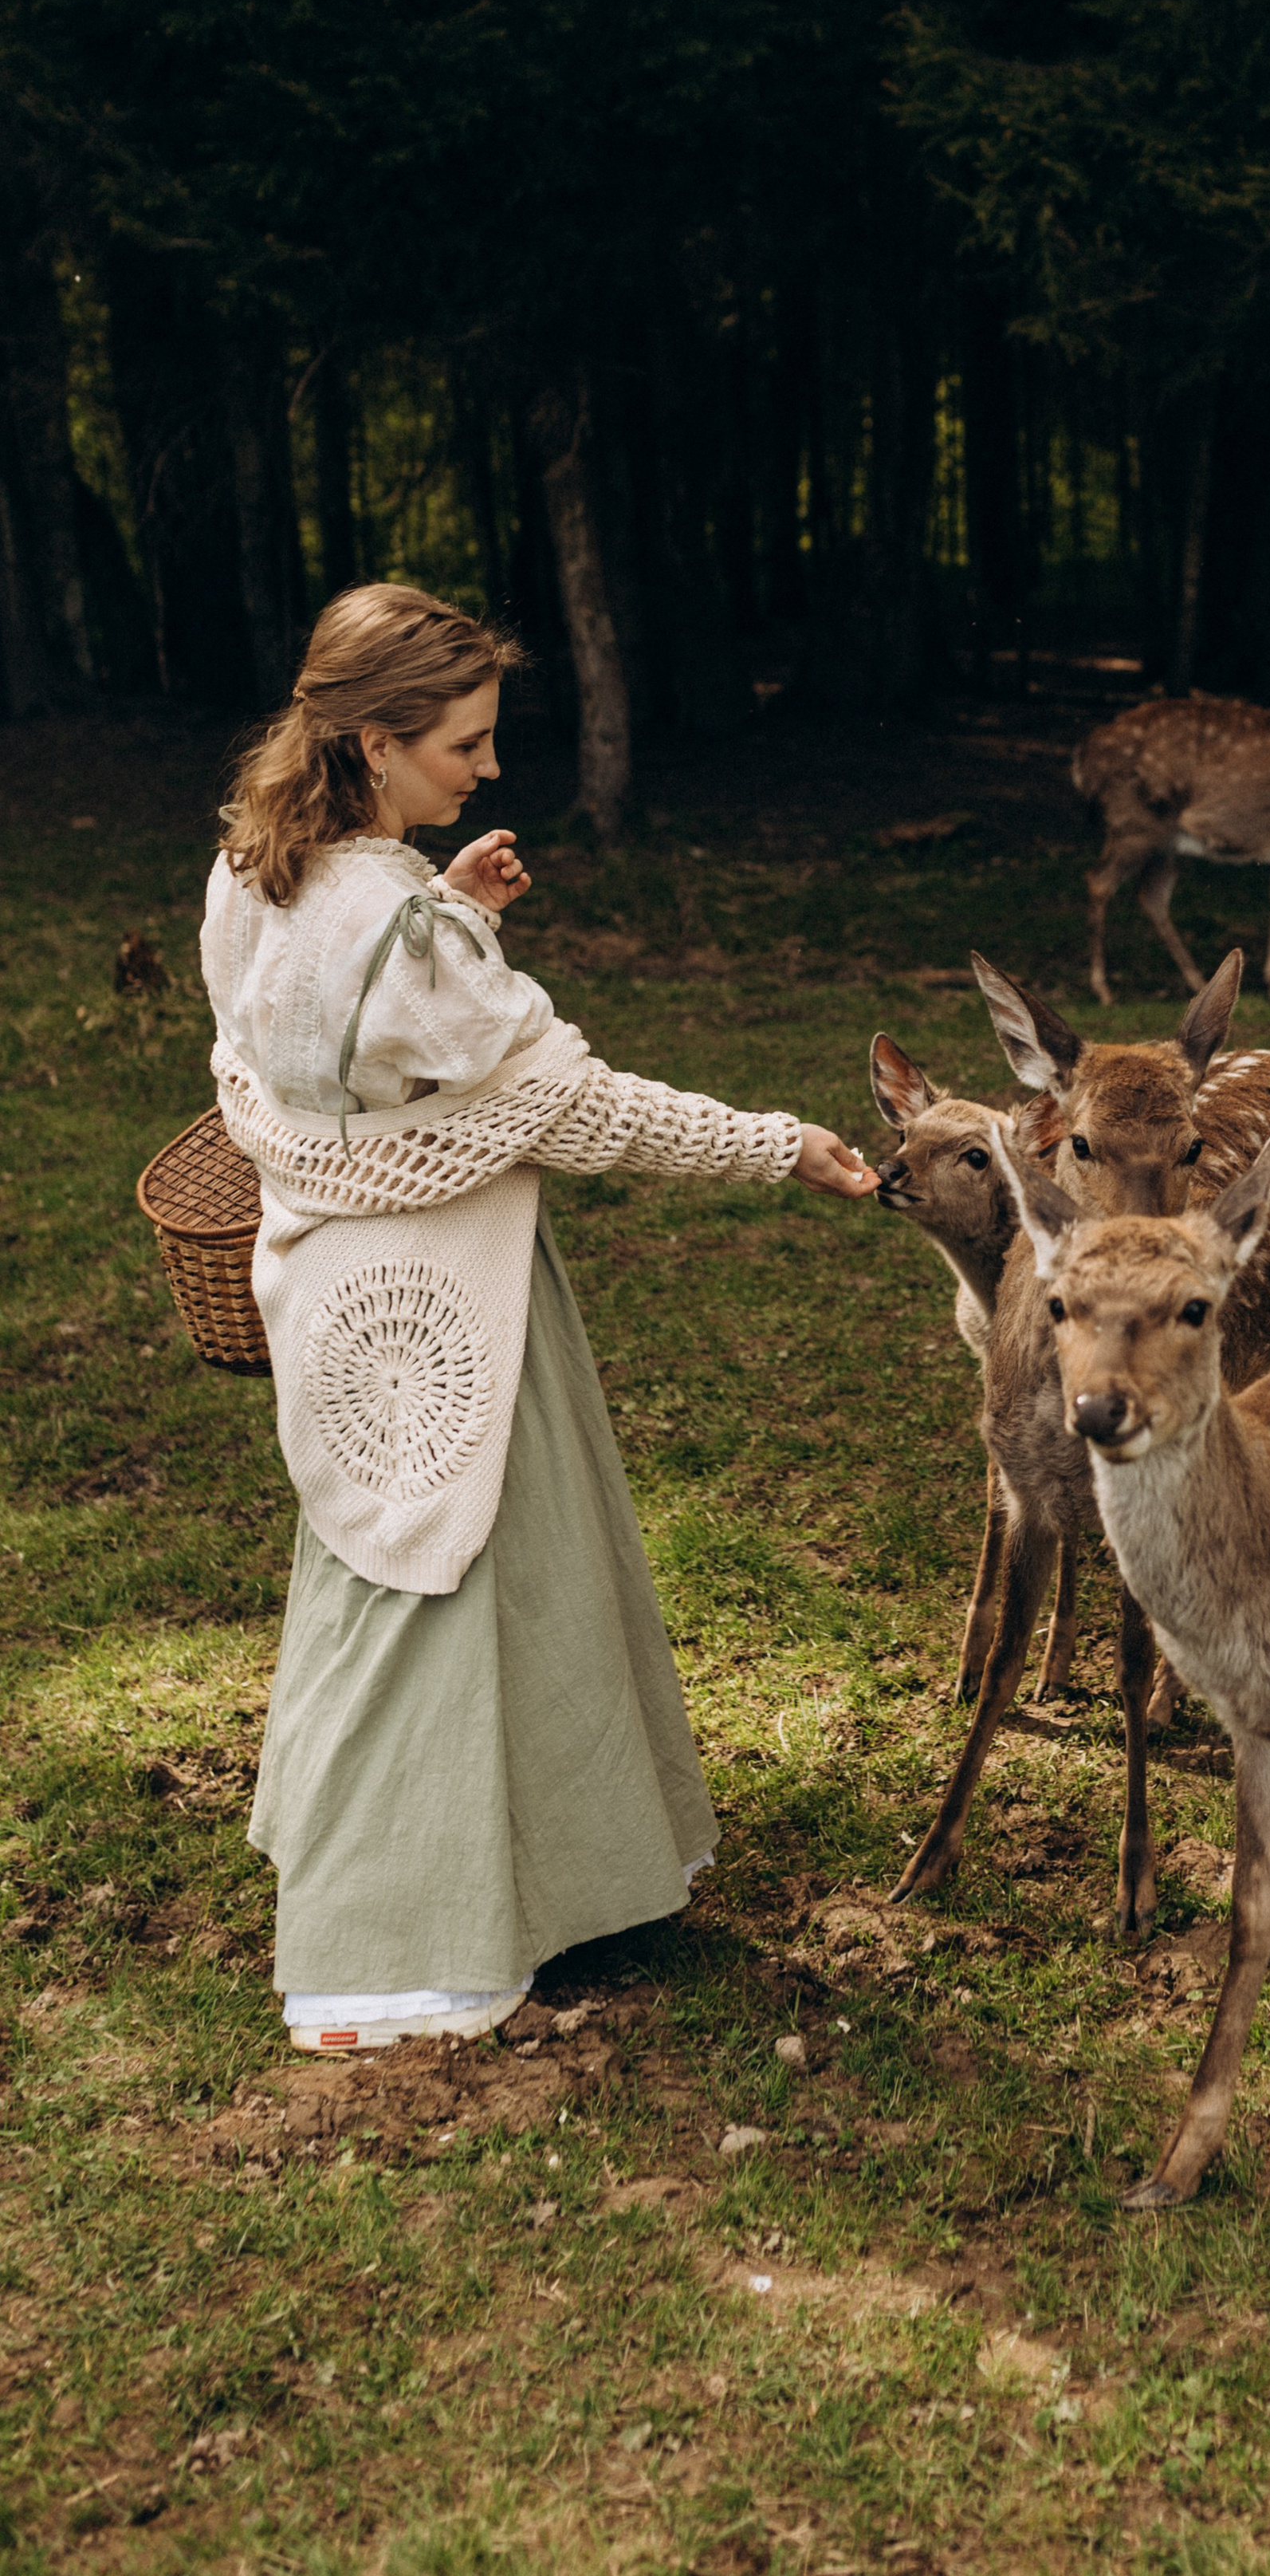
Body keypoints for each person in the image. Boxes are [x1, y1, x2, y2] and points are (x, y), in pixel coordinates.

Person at [200, 581, 876, 2054]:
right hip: (446, 1305)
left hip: (333, 1292)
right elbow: (576, 1109)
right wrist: (777, 1146)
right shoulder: (401, 936)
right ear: (375, 746)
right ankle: (393, 1961)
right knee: (434, 1599)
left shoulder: (254, 876)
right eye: (465, 743)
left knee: (400, 1564)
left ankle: (542, 1875)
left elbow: (309, 1051)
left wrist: (448, 907)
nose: (490, 766)